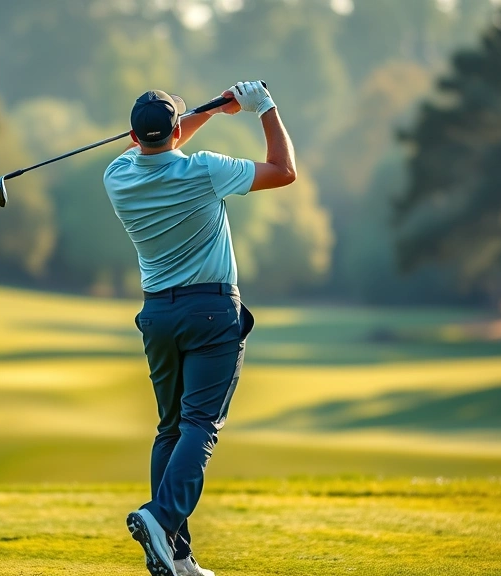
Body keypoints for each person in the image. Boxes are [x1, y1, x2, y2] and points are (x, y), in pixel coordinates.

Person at [103, 81, 296, 576]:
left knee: (170, 428)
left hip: (158, 317)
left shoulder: (118, 175)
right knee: (199, 426)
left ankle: (180, 558)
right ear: (173, 131)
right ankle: (160, 517)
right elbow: (283, 171)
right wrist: (263, 109)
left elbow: (158, 146)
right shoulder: (204, 170)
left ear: (133, 136)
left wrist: (211, 110)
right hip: (210, 312)